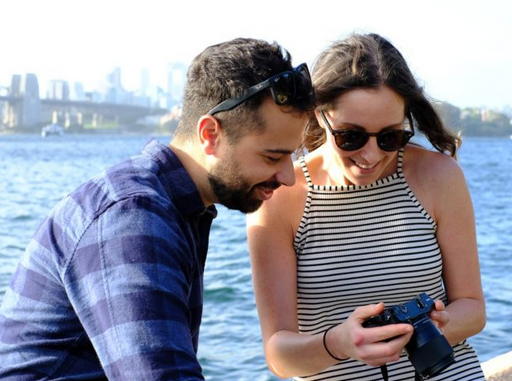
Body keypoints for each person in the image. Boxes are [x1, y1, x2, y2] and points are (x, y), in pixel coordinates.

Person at [0, 37, 315, 380]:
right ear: (210, 134)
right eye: (273, 156)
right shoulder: (133, 217)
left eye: (293, 155)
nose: (287, 176)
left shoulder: (177, 209)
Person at [247, 33, 486, 380]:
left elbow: (473, 309)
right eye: (351, 136)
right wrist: (340, 344)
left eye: (390, 136)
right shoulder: (281, 197)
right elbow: (280, 355)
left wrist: (426, 328)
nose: (370, 155)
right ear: (318, 115)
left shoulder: (439, 176)